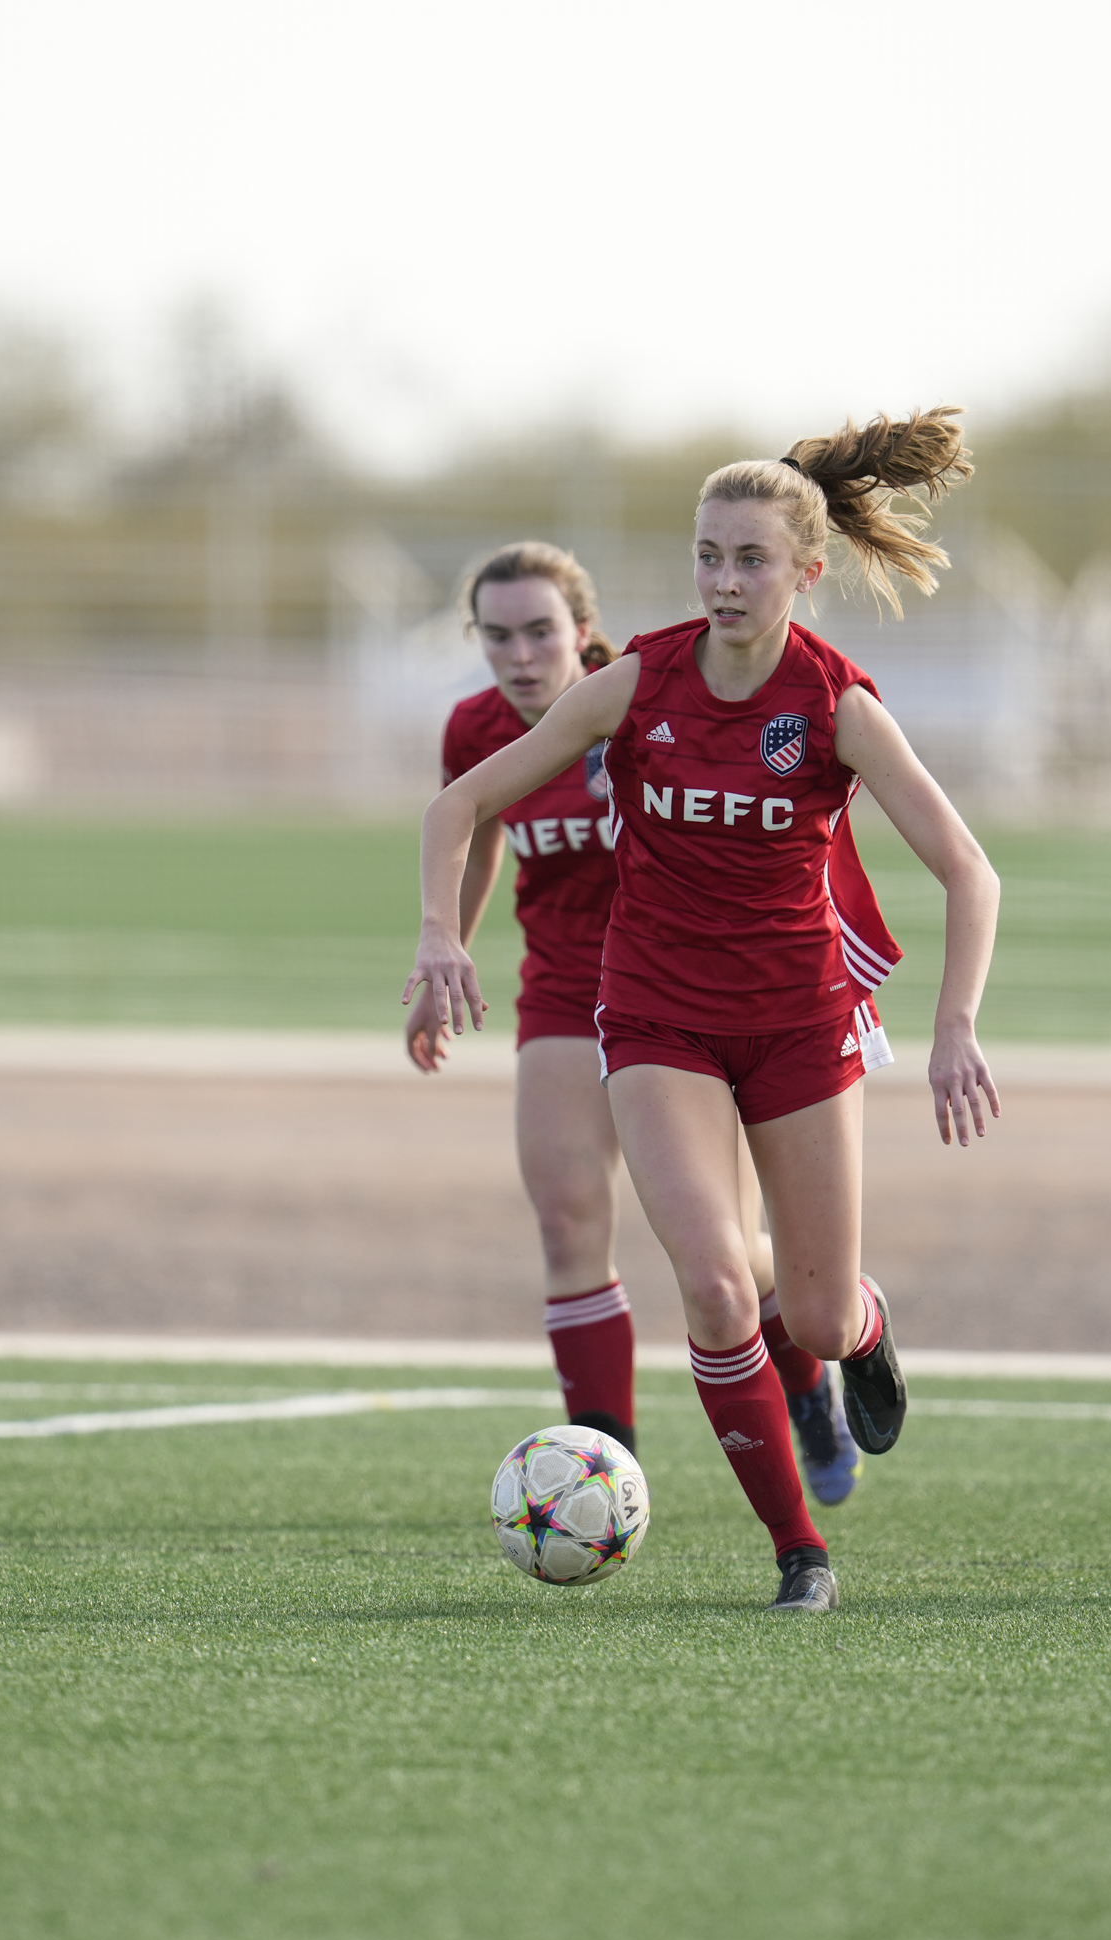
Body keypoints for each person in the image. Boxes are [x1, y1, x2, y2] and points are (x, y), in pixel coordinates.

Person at [409, 410, 1003, 1612]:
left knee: (819, 1316)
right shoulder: (640, 678)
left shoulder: (834, 704)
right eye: (707, 556)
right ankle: (801, 1551)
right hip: (656, 1016)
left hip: (798, 1018)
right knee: (720, 1287)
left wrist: (953, 1027)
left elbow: (969, 871)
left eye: (751, 560)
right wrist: (437, 937)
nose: (725, 581)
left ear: (805, 572)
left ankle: (863, 1326)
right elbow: (455, 809)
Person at [405, 543, 862, 1503]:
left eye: (540, 631)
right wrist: (446, 948)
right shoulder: (478, 728)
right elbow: (477, 831)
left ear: (582, 630)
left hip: (684, 999)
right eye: (497, 636)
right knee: (568, 1215)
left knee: (727, 1260)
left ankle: (810, 1379)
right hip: (567, 990)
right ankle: (601, 1474)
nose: (520, 655)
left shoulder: (637, 707)